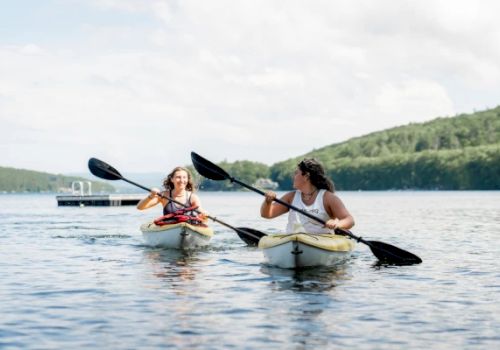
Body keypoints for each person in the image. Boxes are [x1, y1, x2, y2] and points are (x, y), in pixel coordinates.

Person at [260, 158, 354, 233]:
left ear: (306, 176)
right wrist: (268, 202)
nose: (294, 176)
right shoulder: (291, 197)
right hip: (293, 240)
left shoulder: (328, 198)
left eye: (296, 173)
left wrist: (337, 223)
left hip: (322, 242)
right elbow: (267, 215)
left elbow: (349, 220)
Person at [137, 166, 207, 219]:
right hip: (169, 227)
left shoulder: (192, 197)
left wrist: (204, 214)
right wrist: (151, 196)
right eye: (178, 177)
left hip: (188, 226)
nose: (182, 180)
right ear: (172, 179)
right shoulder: (164, 195)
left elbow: (200, 211)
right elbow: (140, 207)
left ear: (187, 180)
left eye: (184, 177)